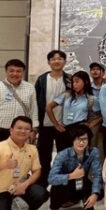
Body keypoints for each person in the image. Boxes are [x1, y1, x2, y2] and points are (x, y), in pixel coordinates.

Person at [47, 124, 103, 210]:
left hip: (82, 182)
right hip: (66, 185)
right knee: (56, 187)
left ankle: (86, 200)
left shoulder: (93, 152)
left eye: (84, 139)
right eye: (78, 139)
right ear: (72, 139)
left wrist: (95, 193)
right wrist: (71, 175)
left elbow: (97, 174)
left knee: (100, 190)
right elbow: (51, 178)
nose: (81, 142)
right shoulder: (63, 154)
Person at [0, 59, 38, 147]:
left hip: (21, 132)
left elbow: (33, 109)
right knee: (0, 155)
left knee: (20, 155)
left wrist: (34, 129)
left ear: (23, 72)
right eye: (11, 71)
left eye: (18, 71)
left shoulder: (30, 88)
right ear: (6, 71)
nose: (15, 74)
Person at [35, 50, 71, 187]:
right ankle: (42, 185)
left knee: (64, 156)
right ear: (49, 62)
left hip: (63, 126)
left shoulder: (69, 79)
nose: (57, 61)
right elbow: (36, 101)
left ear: (65, 62)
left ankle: (61, 186)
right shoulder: (42, 80)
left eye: (60, 58)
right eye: (53, 59)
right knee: (44, 156)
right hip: (45, 125)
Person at [46, 71, 101, 141]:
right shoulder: (66, 95)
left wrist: (91, 125)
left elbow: (102, 115)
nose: (74, 84)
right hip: (64, 129)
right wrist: (56, 125)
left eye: (77, 82)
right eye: (73, 82)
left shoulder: (91, 99)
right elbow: (48, 107)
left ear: (86, 82)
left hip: (80, 130)